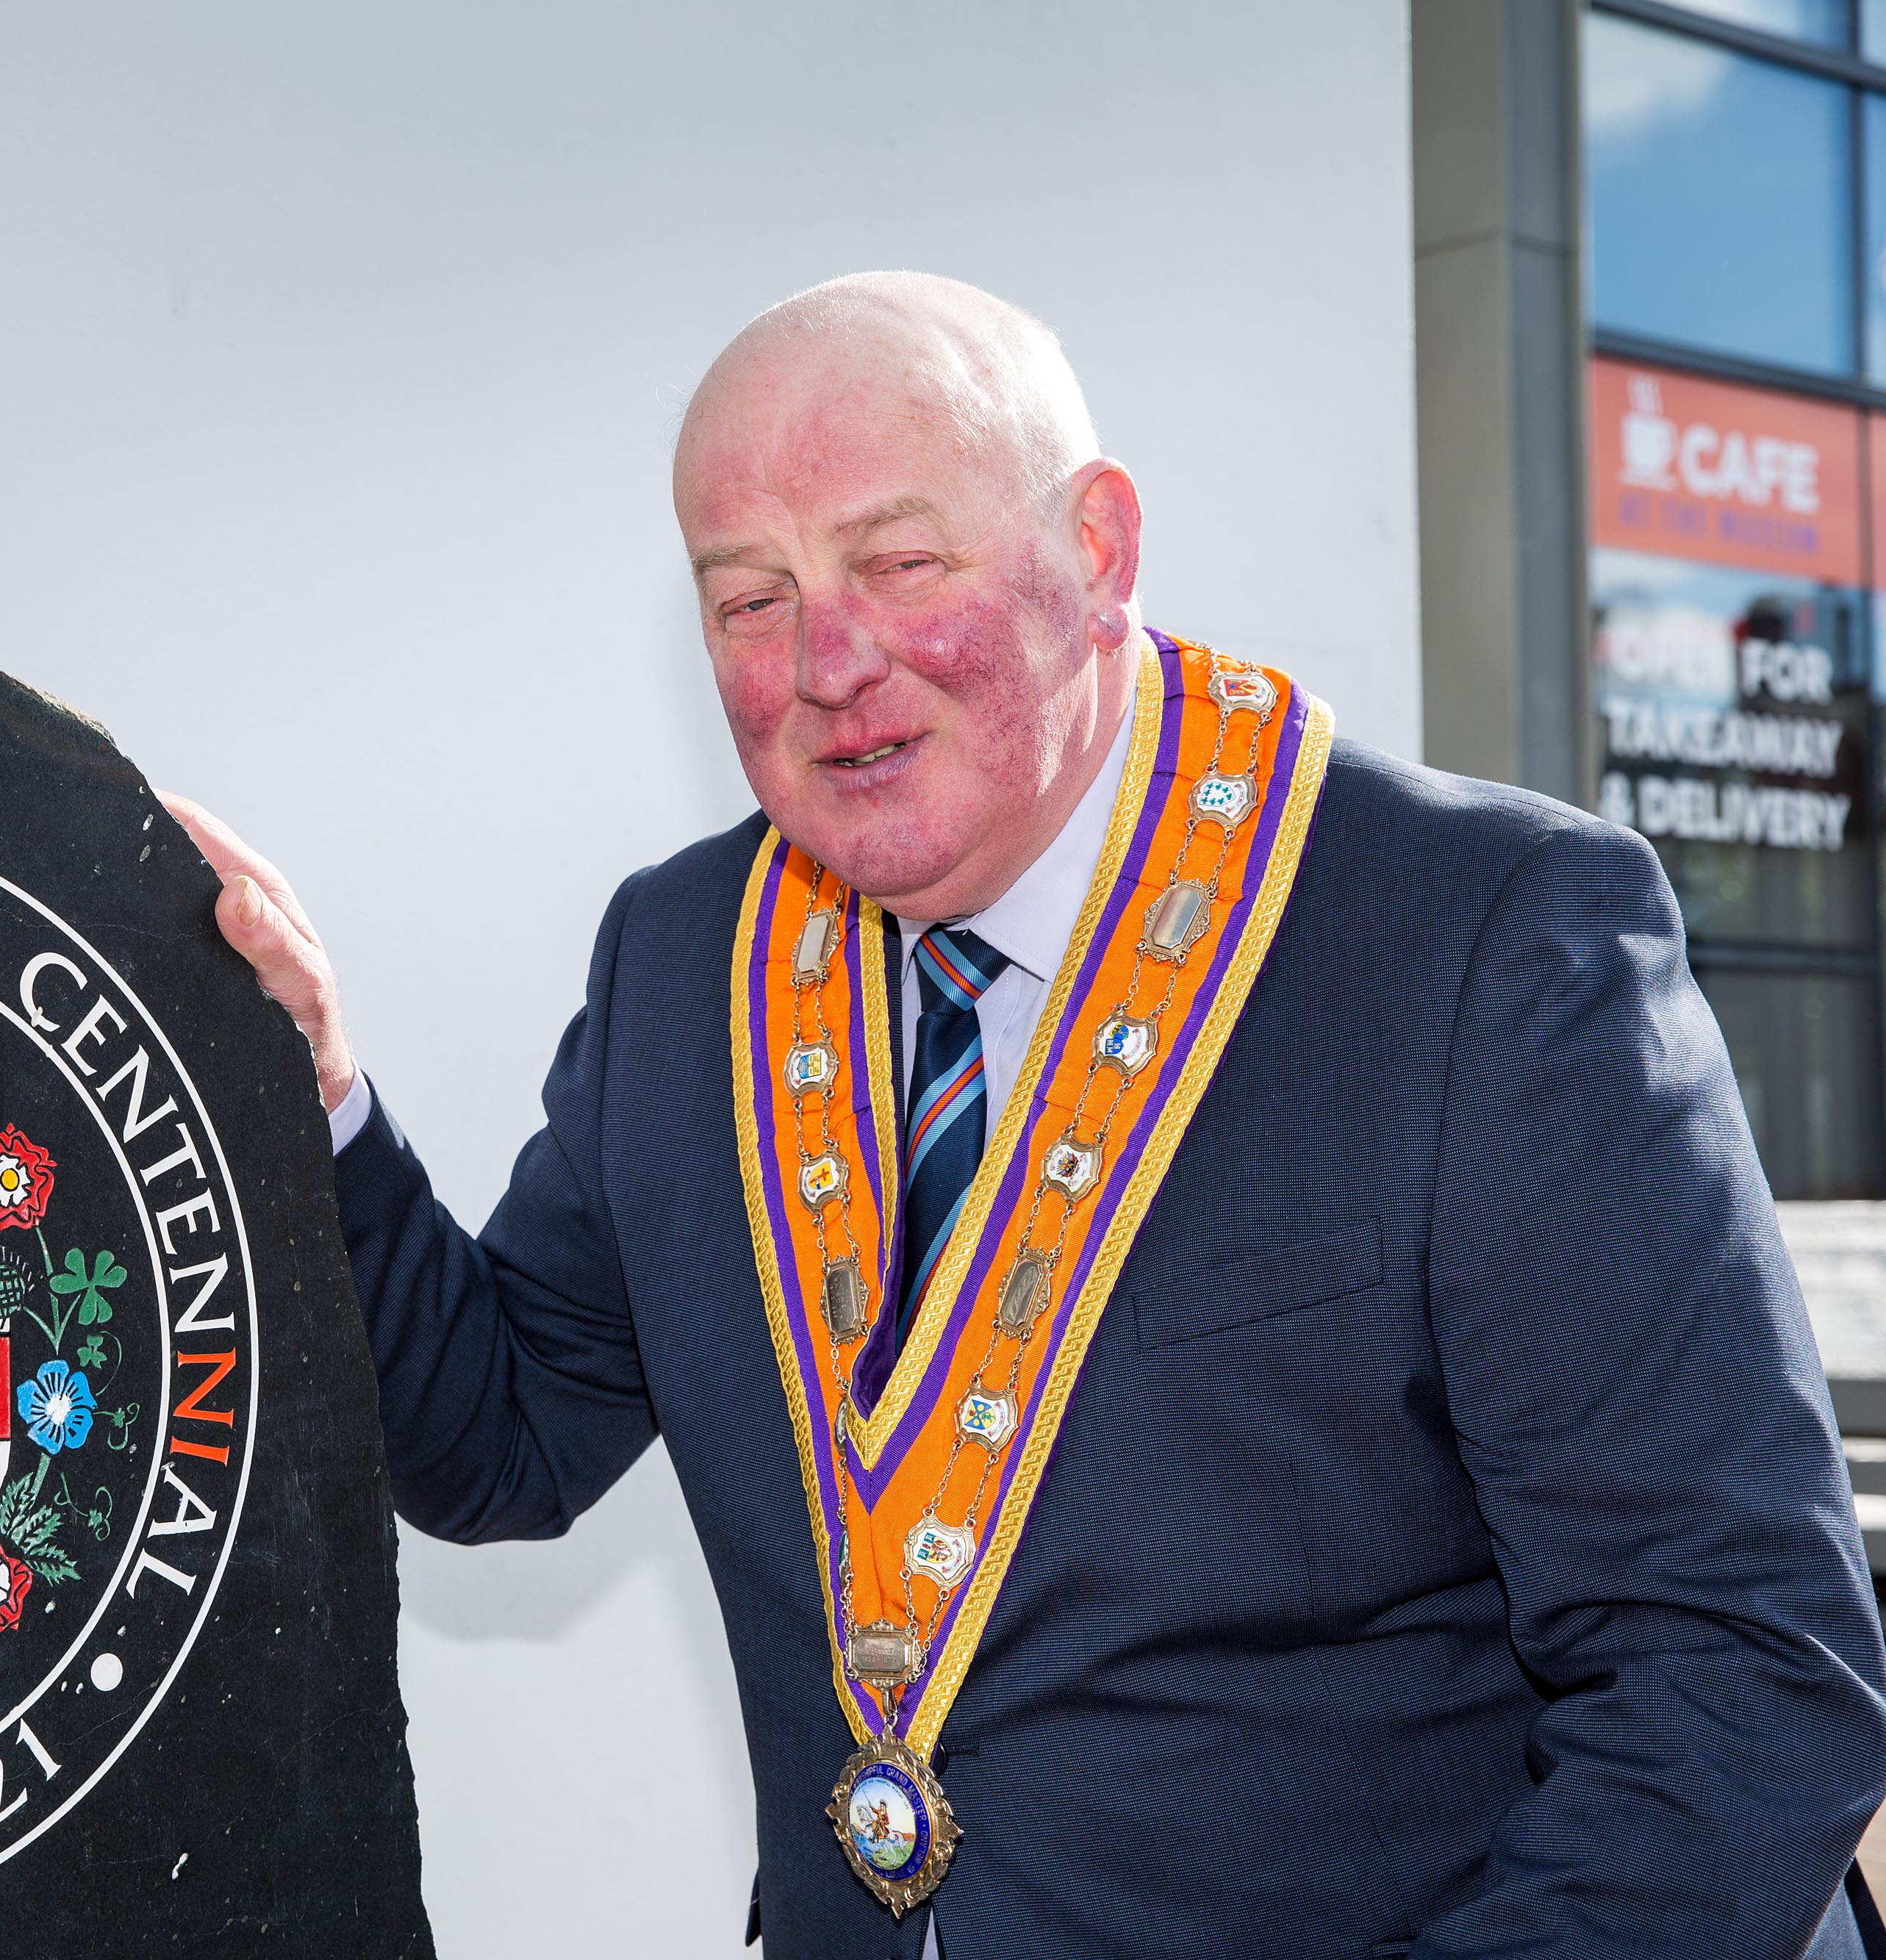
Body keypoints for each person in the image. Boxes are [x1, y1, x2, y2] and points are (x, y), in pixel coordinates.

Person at [167, 273, 1886, 1959]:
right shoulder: (684, 963)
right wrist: (304, 1090)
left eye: (897, 562)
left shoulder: (1477, 937)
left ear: (1100, 547)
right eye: (746, 597)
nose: (825, 660)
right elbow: (496, 1436)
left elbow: (1738, 1682)